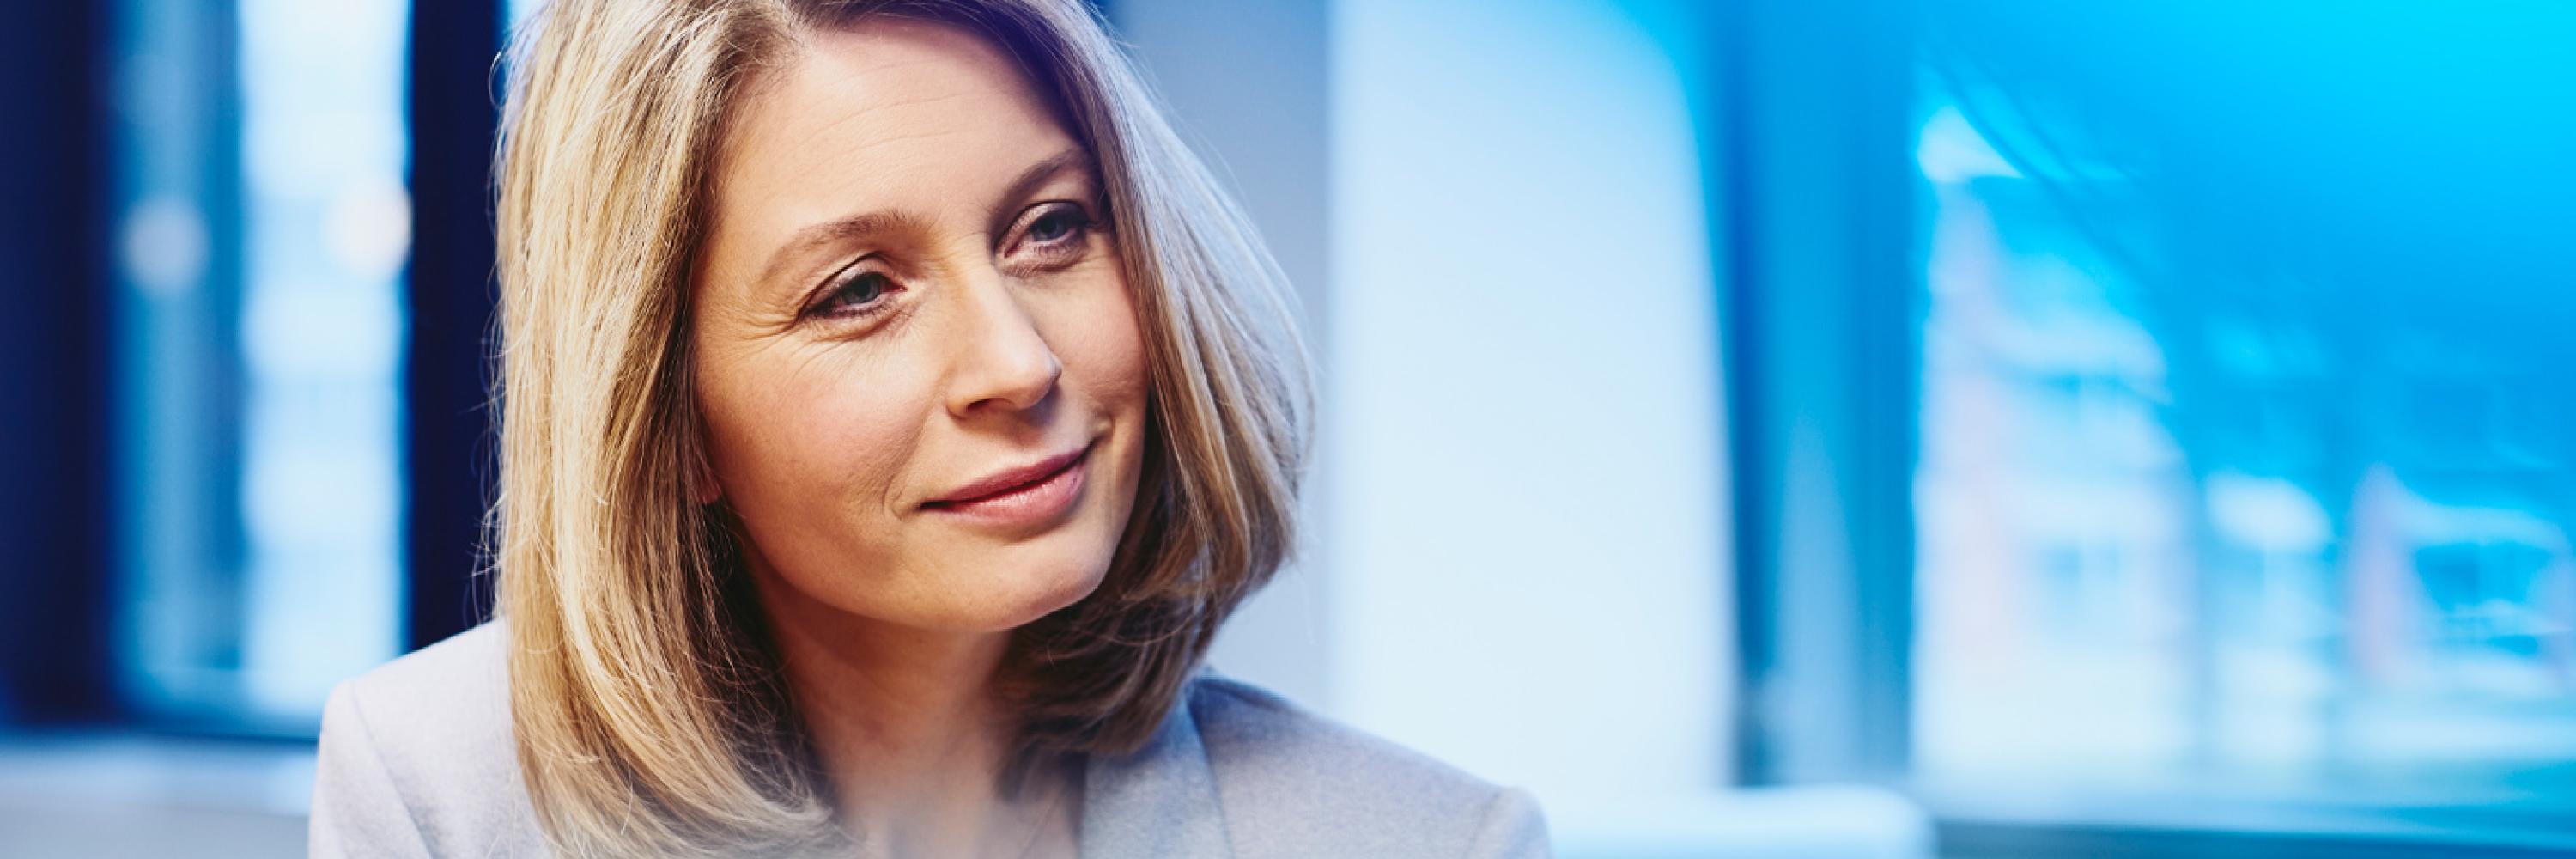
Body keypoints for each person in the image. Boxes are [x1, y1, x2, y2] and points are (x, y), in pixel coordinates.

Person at [307, 1, 1551, 856]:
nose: (1018, 362)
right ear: (666, 419)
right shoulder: (445, 794)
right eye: (857, 292)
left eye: (1051, 227)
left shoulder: (1429, 841)